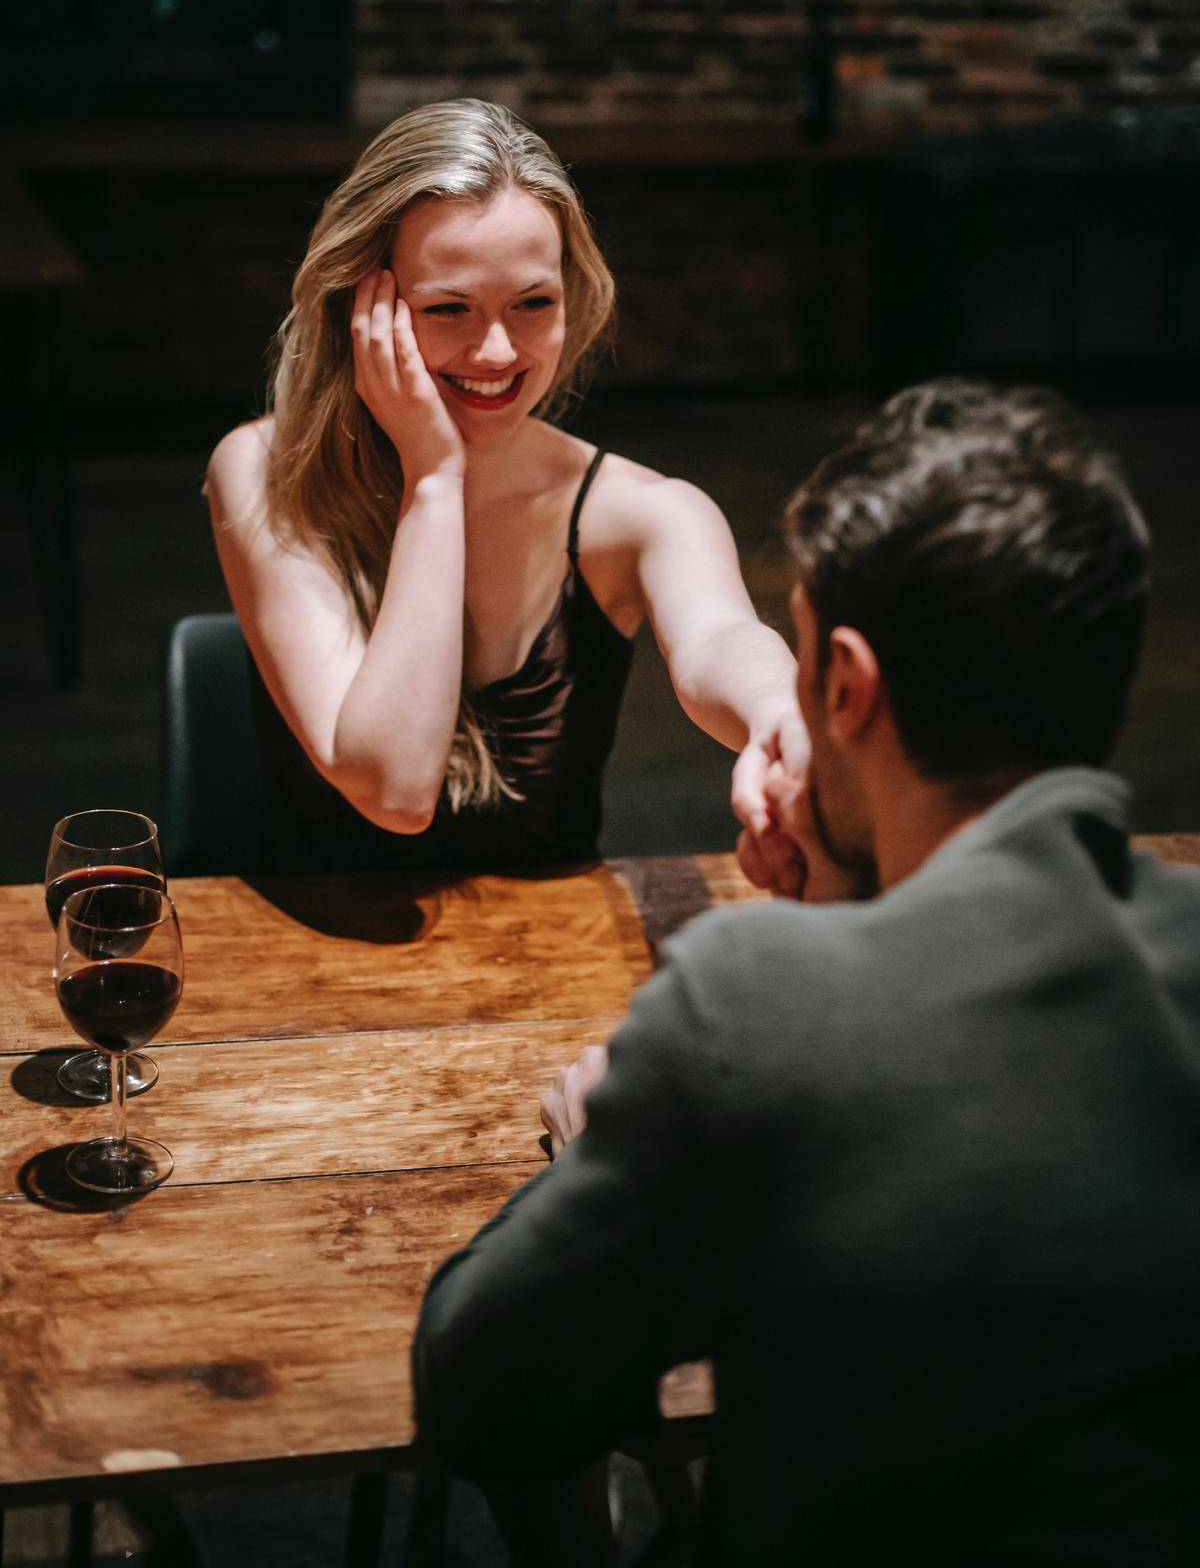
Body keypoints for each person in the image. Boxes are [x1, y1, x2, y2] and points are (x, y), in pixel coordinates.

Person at [413, 379, 1200, 1566]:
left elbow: (479, 1392)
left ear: (848, 685)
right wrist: (852, 896)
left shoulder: (757, 1008)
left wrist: (600, 1150)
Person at [206, 98, 804, 872]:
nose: (496, 352)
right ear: (359, 305)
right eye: (449, 308)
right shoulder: (261, 469)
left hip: (554, 969)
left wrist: (781, 715)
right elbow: (395, 789)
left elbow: (723, 640)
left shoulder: (645, 511)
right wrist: (434, 480)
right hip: (313, 959)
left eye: (533, 303)